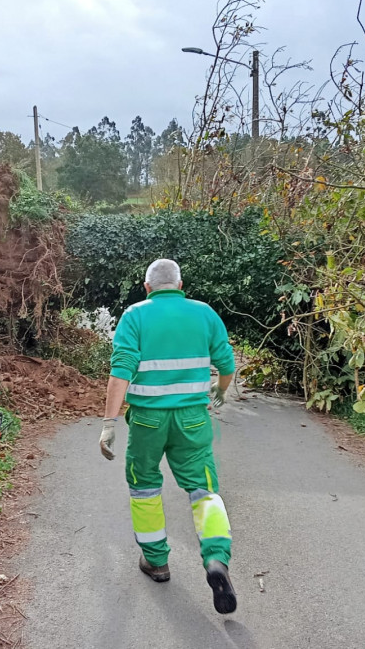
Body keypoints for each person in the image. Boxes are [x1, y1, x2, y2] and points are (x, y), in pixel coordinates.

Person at [98, 258, 238, 614]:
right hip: (192, 419)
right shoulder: (204, 313)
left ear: (147, 287)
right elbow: (226, 365)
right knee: (204, 489)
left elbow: (121, 372)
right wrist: (221, 391)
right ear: (180, 284)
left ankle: (156, 562)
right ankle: (216, 558)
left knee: (144, 486)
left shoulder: (134, 316)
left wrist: (109, 423)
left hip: (147, 421)